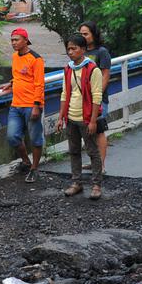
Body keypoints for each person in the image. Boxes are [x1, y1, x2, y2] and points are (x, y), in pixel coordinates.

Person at [55, 34, 104, 200]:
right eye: (68, 49)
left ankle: (96, 184)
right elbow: (64, 93)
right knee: (74, 151)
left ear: (83, 49)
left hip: (86, 117)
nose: (70, 52)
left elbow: (97, 96)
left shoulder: (92, 69)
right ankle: (77, 182)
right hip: (71, 116)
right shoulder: (68, 68)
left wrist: (92, 121)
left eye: (74, 48)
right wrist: (61, 116)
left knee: (92, 151)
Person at [0, 27, 45, 182]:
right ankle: (26, 161)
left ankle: (34, 168)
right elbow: (18, 75)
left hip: (31, 104)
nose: (13, 43)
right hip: (16, 104)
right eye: (12, 40)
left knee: (35, 138)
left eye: (16, 39)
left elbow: (39, 84)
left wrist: (37, 106)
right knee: (12, 137)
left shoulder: (36, 59)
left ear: (25, 40)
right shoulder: (14, 57)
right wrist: (11, 83)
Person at [79, 21, 111, 165]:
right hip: (82, 98)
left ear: (93, 34)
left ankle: (101, 165)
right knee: (88, 132)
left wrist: (97, 96)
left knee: (98, 130)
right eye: (81, 34)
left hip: (98, 98)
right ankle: (94, 162)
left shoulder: (101, 52)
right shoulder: (81, 52)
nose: (83, 37)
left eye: (86, 34)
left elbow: (105, 75)